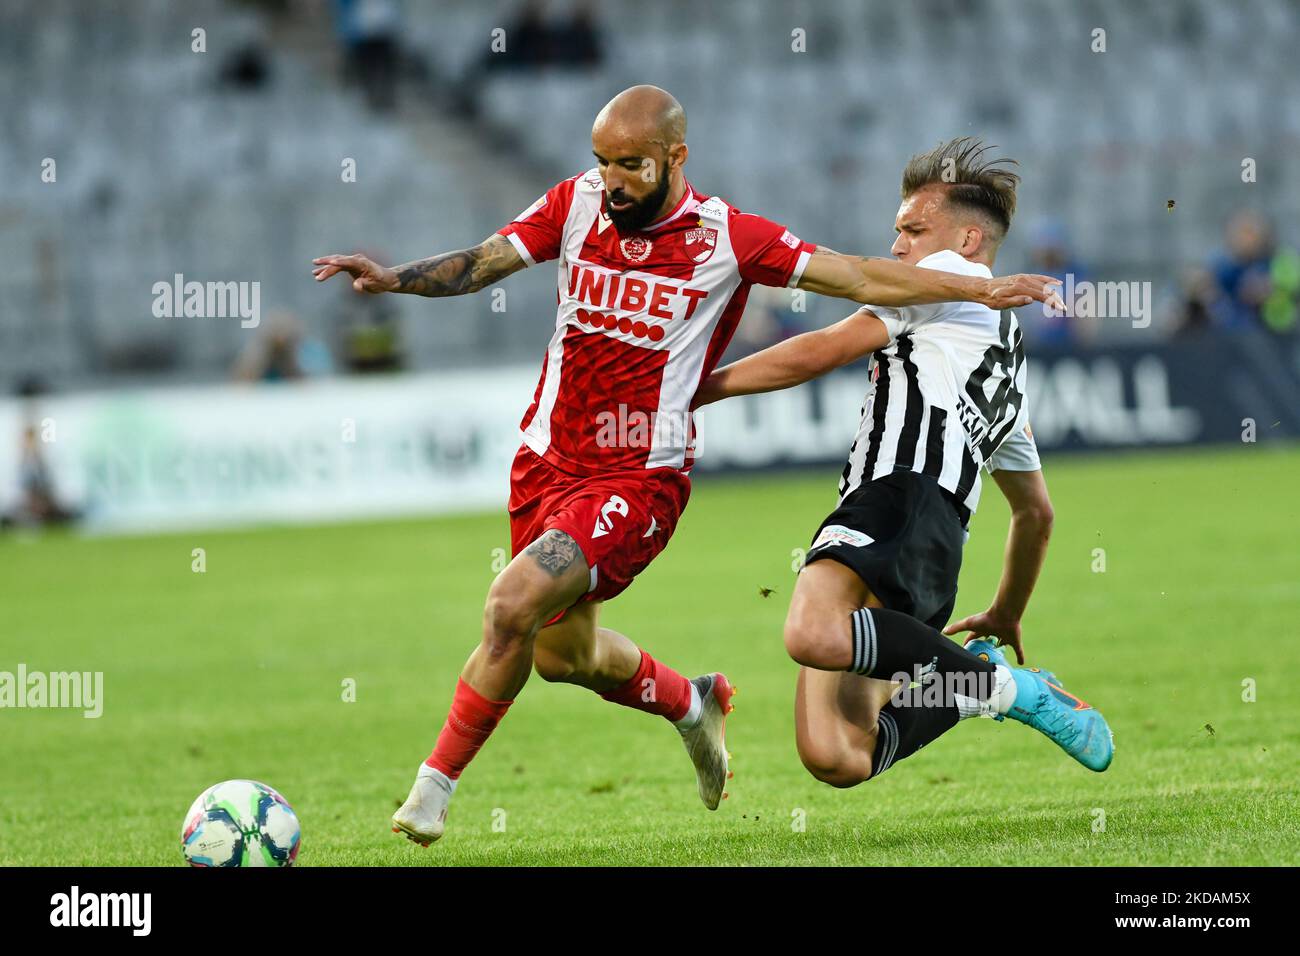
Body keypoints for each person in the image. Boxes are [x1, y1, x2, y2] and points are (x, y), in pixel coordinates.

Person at [312, 90, 1063, 846]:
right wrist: (392, 277)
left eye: (631, 164)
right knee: (559, 655)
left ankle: (432, 790)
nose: (613, 180)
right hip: (545, 460)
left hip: (638, 476)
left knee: (512, 603)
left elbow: (860, 279)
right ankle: (690, 701)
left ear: (675, 158)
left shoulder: (728, 238)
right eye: (603, 161)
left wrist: (980, 287)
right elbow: (482, 263)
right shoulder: (575, 204)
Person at [695, 137, 1113, 788]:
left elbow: (822, 349)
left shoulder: (952, 286)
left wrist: (703, 389)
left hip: (899, 495)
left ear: (969, 242)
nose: (898, 249)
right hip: (935, 544)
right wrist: (1005, 610)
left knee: (810, 634)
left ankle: (1003, 690)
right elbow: (1036, 512)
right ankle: (975, 674)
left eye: (913, 230)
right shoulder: (1006, 360)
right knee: (835, 754)